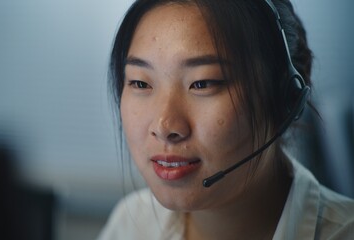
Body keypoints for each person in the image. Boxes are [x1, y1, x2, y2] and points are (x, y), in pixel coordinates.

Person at [98, 0, 354, 239]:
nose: (164, 127)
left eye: (202, 83)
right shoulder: (132, 224)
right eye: (140, 83)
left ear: (288, 93)